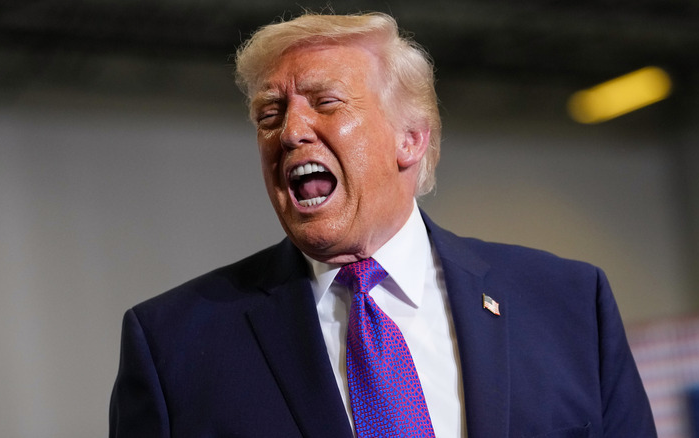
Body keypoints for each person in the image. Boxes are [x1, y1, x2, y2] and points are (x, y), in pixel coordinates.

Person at [110, 12, 657, 438]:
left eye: (325, 102)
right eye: (269, 115)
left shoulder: (567, 304)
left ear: (410, 138)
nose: (291, 130)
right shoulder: (173, 345)